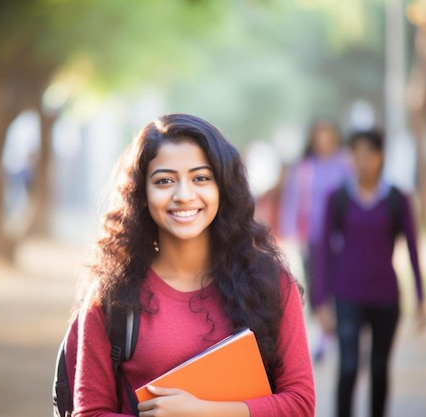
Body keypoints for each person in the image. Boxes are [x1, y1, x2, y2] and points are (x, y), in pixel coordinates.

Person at [67, 114, 315, 416]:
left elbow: (301, 404)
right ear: (141, 194)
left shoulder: (270, 284)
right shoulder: (111, 295)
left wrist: (203, 412)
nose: (183, 195)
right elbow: (89, 412)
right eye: (164, 181)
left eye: (201, 178)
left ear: (222, 188)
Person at [313, 129, 426, 417]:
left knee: (379, 368)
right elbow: (323, 252)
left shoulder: (396, 199)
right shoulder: (337, 198)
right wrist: (321, 301)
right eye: (357, 154)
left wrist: (421, 297)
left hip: (385, 296)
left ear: (381, 157)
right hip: (347, 293)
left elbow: (413, 249)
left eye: (370, 154)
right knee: (349, 366)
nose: (363, 161)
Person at [278, 118, 352, 360]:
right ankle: (324, 334)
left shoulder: (345, 163)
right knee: (317, 286)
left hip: (342, 237)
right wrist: (289, 231)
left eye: (328, 136)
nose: (324, 142)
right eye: (319, 137)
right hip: (312, 237)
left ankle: (342, 333)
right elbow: (291, 199)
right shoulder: (304, 167)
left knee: (340, 285)